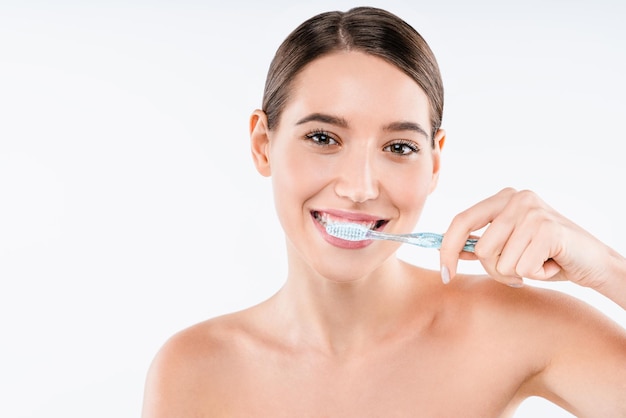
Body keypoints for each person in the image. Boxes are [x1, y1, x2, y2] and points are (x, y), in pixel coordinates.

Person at [141, 6, 626, 417]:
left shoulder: (518, 324)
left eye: (398, 146)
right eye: (323, 138)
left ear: (434, 163)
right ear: (263, 144)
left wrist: (607, 268)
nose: (359, 187)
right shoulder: (193, 371)